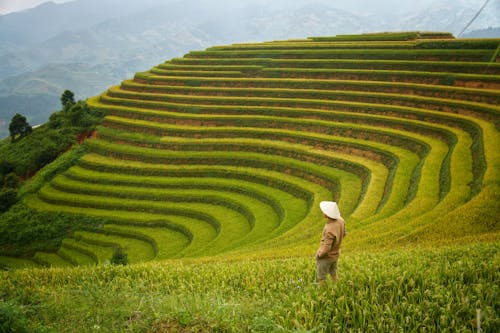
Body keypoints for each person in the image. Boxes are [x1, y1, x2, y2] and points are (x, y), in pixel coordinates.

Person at [315, 201, 346, 286]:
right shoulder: (341, 220)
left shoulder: (329, 229)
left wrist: (319, 255)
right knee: (333, 273)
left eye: (324, 211)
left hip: (326, 257)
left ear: (328, 214)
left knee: (321, 277)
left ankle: (323, 293)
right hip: (335, 254)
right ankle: (338, 287)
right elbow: (344, 233)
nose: (323, 212)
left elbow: (326, 247)